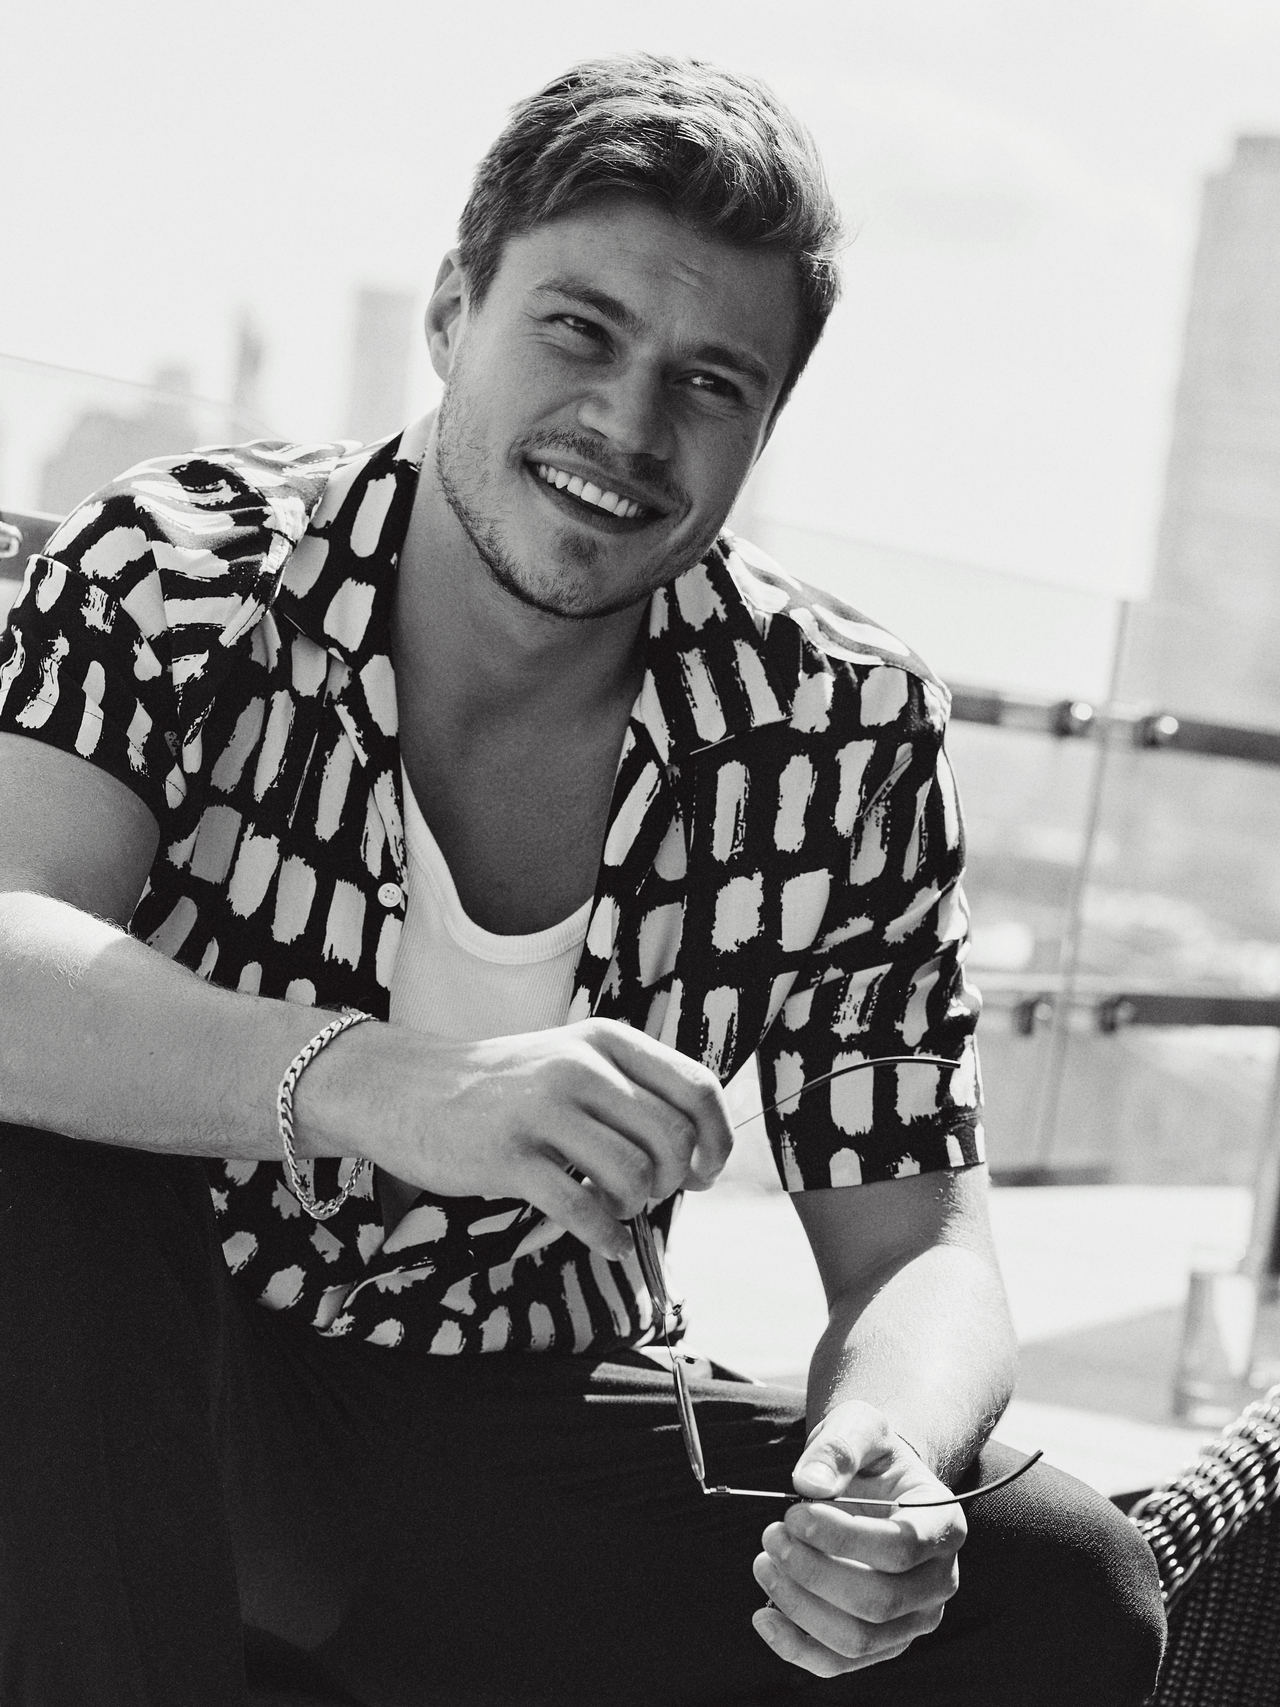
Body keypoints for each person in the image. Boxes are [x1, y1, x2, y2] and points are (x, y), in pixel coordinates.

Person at [0, 52, 1162, 1707]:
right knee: (42, 1160)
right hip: (158, 1390)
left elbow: (920, 1239)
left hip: (520, 1437)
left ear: (766, 428)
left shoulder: (833, 725)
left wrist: (884, 1454)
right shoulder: (184, 568)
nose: (628, 425)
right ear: (453, 310)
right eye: (579, 330)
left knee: (1060, 1585)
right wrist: (382, 1084)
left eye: (710, 382)